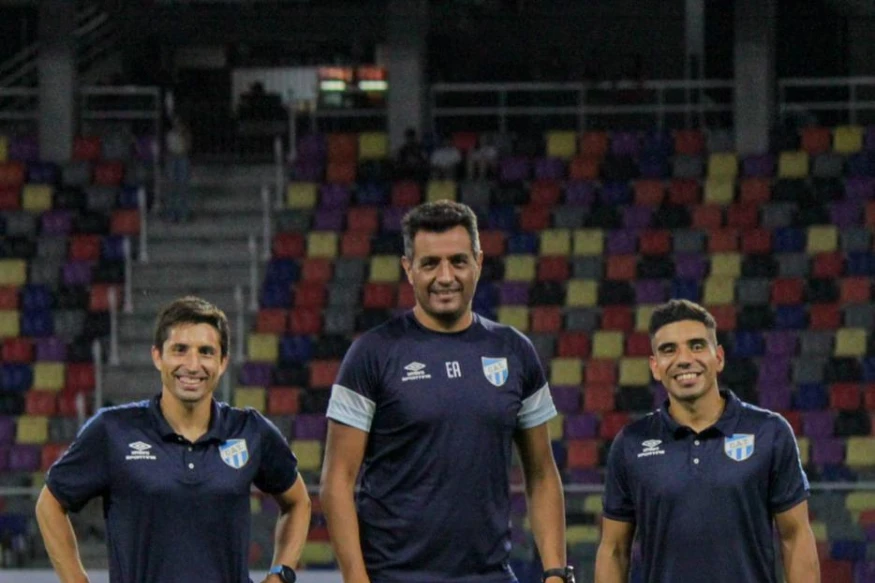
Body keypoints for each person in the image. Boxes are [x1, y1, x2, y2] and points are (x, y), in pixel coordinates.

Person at [320, 200, 573, 583]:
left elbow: (541, 473)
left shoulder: (515, 351)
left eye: (457, 261)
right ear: (408, 268)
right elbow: (337, 480)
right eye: (429, 264)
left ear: (478, 261)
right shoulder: (371, 354)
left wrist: (555, 572)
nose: (445, 276)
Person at [35, 296, 311, 583]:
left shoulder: (250, 431)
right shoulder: (112, 430)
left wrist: (280, 575)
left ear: (223, 362)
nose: (192, 365)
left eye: (206, 352)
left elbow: (298, 503)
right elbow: (49, 504)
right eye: (180, 350)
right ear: (157, 356)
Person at [595, 299, 820, 583]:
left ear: (719, 357)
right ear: (655, 366)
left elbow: (796, 536)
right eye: (669, 350)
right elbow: (614, 549)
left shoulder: (769, 432)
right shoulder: (631, 443)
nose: (684, 358)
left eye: (697, 345)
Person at [164, 114, 193, 222]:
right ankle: (171, 214)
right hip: (172, 159)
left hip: (182, 158)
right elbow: (168, 147)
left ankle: (183, 214)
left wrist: (183, 135)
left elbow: (187, 146)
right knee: (172, 187)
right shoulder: (170, 134)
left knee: (182, 187)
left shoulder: (186, 134)